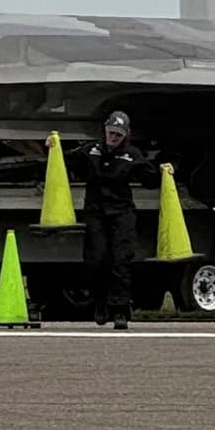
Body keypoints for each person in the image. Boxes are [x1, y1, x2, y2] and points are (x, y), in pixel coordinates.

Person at [72, 111, 155, 329]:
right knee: (96, 259)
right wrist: (50, 148)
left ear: (125, 135)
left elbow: (150, 179)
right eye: (110, 133)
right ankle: (100, 303)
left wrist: (168, 169)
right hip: (96, 211)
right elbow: (68, 162)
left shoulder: (131, 155)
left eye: (118, 135)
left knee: (122, 260)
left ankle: (120, 309)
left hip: (121, 212)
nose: (113, 138)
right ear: (105, 131)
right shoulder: (91, 151)